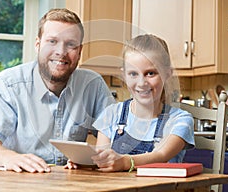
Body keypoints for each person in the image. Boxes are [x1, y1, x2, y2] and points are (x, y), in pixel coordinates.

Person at [0, 8, 115, 173]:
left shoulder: (93, 85)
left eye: (70, 44)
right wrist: (9, 158)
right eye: (52, 41)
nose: (61, 52)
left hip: (72, 183)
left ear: (80, 51)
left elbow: (113, 140)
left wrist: (98, 158)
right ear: (38, 45)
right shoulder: (7, 84)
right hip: (18, 182)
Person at [65, 34, 194, 172]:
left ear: (167, 74)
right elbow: (103, 160)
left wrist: (125, 162)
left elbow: (161, 155)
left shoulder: (179, 120)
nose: (141, 83)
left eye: (150, 73)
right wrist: (86, 162)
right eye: (133, 74)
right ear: (124, 75)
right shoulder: (111, 114)